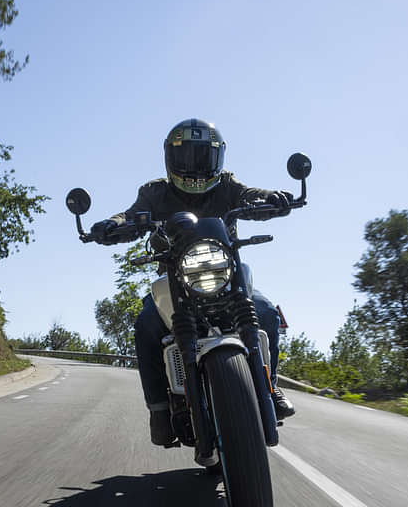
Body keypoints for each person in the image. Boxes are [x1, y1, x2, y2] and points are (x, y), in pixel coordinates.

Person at [88, 118, 296, 446]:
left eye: (204, 158)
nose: (196, 168)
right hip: (175, 279)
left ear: (218, 159)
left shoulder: (227, 186)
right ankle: (159, 410)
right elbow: (131, 215)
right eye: (187, 158)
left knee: (267, 312)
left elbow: (250, 194)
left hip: (225, 274)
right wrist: (110, 225)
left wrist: (273, 197)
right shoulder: (154, 192)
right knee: (146, 326)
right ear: (171, 159)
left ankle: (268, 385)